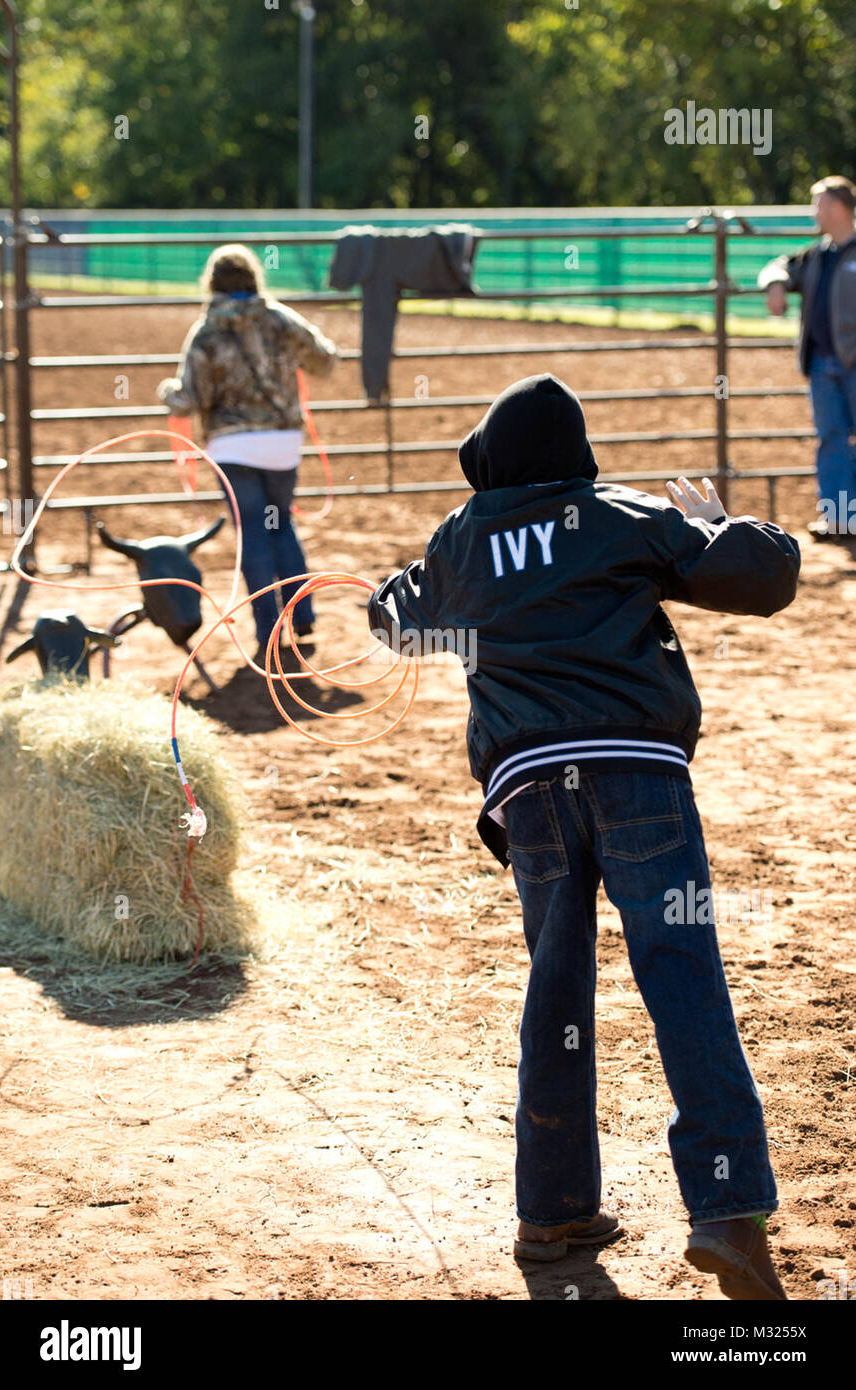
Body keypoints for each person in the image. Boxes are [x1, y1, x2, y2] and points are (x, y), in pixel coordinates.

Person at [367, 374, 800, 1300]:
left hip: (530, 795)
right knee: (684, 979)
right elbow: (768, 578)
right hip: (640, 775)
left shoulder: (462, 538)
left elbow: (395, 625)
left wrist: (415, 583)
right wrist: (723, 524)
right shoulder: (623, 514)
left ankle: (555, 1210)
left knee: (555, 995)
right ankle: (726, 1211)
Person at [157, 244, 338, 656]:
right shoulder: (278, 318)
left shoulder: (206, 331)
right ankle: (303, 615)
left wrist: (167, 392)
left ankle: (267, 631)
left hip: (233, 447)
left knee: (253, 532)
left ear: (212, 284)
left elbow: (188, 398)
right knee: (280, 523)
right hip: (282, 444)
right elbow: (326, 359)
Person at [758, 176, 856, 540]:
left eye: (820, 204)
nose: (815, 212)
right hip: (822, 364)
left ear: (839, 207)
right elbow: (777, 266)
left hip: (851, 363)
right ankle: (839, 518)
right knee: (831, 438)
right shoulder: (815, 255)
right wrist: (776, 285)